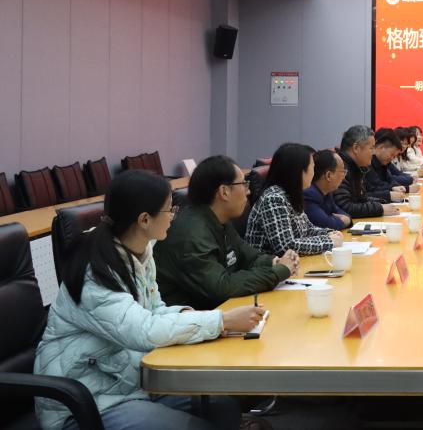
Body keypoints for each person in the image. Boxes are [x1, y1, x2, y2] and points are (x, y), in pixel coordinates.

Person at [34, 170, 264, 430]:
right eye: (169, 210)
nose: (174, 217)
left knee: (223, 406)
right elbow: (144, 331)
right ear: (144, 219)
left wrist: (192, 317)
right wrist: (220, 321)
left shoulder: (140, 251)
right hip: (85, 402)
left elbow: (153, 310)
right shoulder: (96, 272)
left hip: (126, 380)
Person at [155, 155, 300, 310]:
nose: (249, 191)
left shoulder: (218, 219)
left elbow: (248, 257)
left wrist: (274, 262)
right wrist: (279, 271)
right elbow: (222, 287)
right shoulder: (190, 234)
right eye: (244, 184)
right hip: (189, 319)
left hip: (215, 312)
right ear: (224, 192)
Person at [245, 143, 343, 255]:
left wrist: (330, 233)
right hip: (269, 263)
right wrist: (329, 241)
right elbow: (286, 247)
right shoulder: (273, 198)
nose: (314, 172)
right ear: (299, 171)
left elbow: (307, 230)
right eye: (312, 167)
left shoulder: (291, 194)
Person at [334, 125, 400, 218]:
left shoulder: (356, 167)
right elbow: (345, 207)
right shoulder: (340, 167)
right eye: (371, 148)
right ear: (356, 148)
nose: (373, 153)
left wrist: (381, 203)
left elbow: (361, 199)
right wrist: (379, 209)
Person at [302, 149, 354, 231]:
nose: (344, 177)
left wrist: (346, 219)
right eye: (342, 172)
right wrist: (344, 220)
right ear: (328, 175)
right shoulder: (309, 194)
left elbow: (343, 213)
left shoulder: (327, 192)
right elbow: (326, 224)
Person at [364, 128, 415, 201]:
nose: (392, 158)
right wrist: (390, 192)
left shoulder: (383, 163)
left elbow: (390, 179)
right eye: (392, 155)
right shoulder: (367, 162)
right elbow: (374, 187)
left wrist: (396, 187)